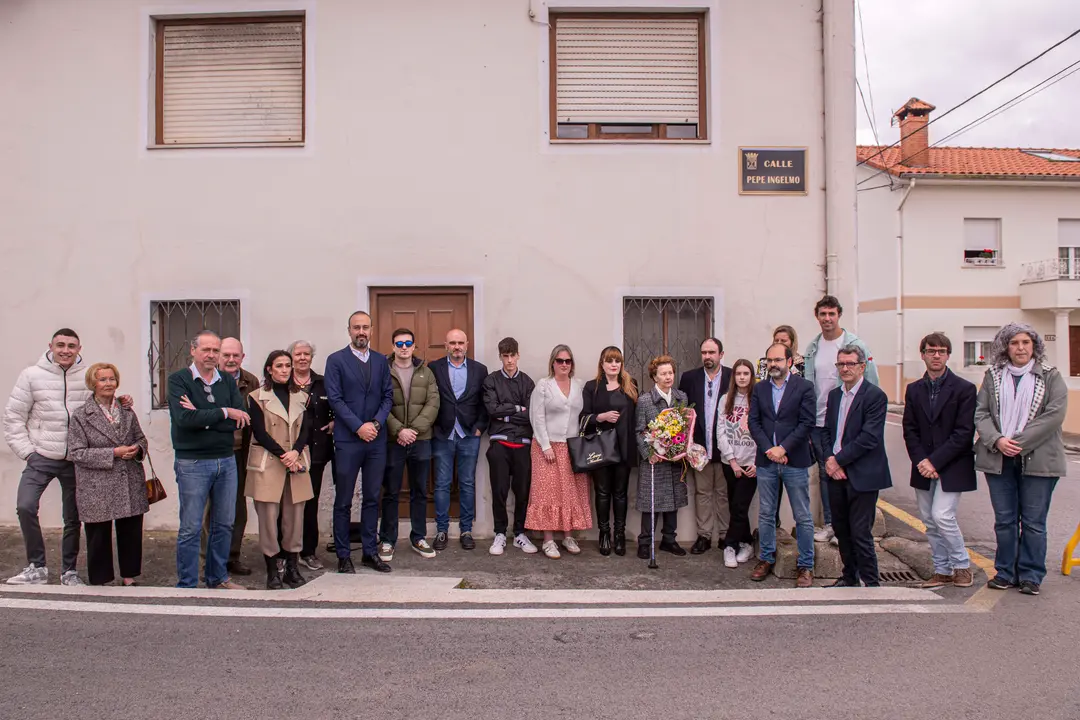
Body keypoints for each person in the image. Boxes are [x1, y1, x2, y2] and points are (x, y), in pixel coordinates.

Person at [975, 323, 1067, 596]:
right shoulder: (992, 376)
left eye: (1026, 342)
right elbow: (981, 413)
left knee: (1033, 522)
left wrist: (1018, 443)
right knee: (1004, 520)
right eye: (1014, 343)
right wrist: (998, 441)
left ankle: (1030, 575)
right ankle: (1005, 573)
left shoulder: (1051, 377)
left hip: (1038, 461)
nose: (1021, 348)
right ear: (1006, 347)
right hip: (998, 458)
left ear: (1034, 346)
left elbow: (1054, 415)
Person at [4, 329, 93, 585]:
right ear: (51, 346)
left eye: (71, 346)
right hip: (40, 456)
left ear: (79, 348)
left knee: (73, 517)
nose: (66, 350)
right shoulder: (32, 375)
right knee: (25, 506)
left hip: (75, 459)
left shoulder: (87, 377)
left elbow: (99, 408)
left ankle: (69, 571)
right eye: (61, 345)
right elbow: (13, 418)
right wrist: (27, 452)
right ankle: (37, 567)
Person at [168, 330, 250, 589]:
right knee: (191, 527)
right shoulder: (178, 380)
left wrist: (203, 416)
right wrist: (224, 411)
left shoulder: (226, 381)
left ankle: (217, 578)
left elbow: (240, 421)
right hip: (192, 463)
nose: (212, 355)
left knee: (224, 524)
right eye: (207, 350)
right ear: (193, 350)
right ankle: (188, 583)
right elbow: (183, 420)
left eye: (216, 350)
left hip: (226, 461)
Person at [902, 333, 977, 589]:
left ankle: (962, 566)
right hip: (923, 465)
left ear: (948, 355)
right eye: (931, 350)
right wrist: (922, 461)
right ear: (922, 354)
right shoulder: (913, 389)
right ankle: (942, 570)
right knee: (929, 521)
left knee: (942, 515)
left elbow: (964, 433)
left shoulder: (965, 389)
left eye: (942, 351)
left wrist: (934, 462)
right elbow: (909, 429)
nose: (936, 355)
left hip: (953, 464)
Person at [803, 296, 879, 544]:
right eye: (823, 314)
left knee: (848, 469)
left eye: (831, 314)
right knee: (827, 471)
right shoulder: (813, 347)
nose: (827, 319)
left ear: (839, 315)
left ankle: (848, 527)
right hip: (818, 420)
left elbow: (871, 382)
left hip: (846, 419)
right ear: (817, 316)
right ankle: (831, 524)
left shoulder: (855, 345)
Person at [325, 311, 394, 574]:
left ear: (372, 330)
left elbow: (388, 396)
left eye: (365, 327)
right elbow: (335, 398)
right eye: (356, 328)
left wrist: (375, 424)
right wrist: (358, 426)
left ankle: (369, 551)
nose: (361, 332)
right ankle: (343, 555)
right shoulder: (336, 360)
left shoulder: (380, 361)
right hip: (348, 440)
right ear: (349, 330)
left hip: (376, 440)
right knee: (343, 499)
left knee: (372, 498)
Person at [67, 363, 148, 586]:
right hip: (97, 483)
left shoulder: (126, 411)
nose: (108, 384)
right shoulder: (81, 415)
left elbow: (141, 438)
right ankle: (101, 579)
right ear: (93, 383)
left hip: (128, 478)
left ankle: (129, 576)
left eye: (112, 379)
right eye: (102, 379)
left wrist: (137, 449)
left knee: (130, 530)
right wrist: (114, 453)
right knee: (98, 533)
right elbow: (76, 452)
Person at [822, 345, 892, 587]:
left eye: (850, 364)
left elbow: (869, 438)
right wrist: (829, 460)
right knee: (841, 531)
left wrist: (837, 460)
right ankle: (849, 577)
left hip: (863, 475)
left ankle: (871, 582)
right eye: (841, 364)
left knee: (861, 533)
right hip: (836, 474)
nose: (845, 368)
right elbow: (827, 433)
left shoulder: (875, 396)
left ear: (862, 367)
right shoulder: (834, 395)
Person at [748, 343, 817, 587]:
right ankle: (766, 558)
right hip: (767, 461)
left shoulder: (805, 387)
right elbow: (753, 422)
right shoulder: (760, 389)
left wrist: (783, 448)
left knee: (803, 515)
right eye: (769, 360)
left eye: (778, 360)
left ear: (789, 361)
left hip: (795, 461)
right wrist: (770, 450)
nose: (773, 364)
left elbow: (807, 423)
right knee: (766, 513)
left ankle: (805, 566)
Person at [200, 337, 261, 578]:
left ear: (242, 357)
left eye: (236, 355)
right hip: (212, 452)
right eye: (226, 355)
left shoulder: (250, 381)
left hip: (239, 453)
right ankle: (210, 561)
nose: (231, 359)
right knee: (211, 510)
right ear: (217, 357)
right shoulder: (205, 381)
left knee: (237, 509)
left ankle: (232, 556)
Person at [526, 345, 593, 559]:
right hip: (546, 446)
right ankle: (548, 540)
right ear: (553, 362)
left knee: (570, 492)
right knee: (547, 491)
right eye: (560, 360)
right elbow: (536, 417)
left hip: (571, 447)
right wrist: (545, 445)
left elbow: (584, 415)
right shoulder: (544, 386)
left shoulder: (579, 385)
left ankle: (568, 535)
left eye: (568, 361)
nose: (564, 364)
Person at [380, 328, 440, 562]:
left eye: (408, 343)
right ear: (393, 346)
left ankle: (418, 537)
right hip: (392, 441)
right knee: (391, 492)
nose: (404, 347)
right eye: (399, 343)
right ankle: (387, 539)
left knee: (419, 492)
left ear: (414, 346)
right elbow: (379, 404)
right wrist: (398, 430)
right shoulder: (383, 371)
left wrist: (413, 430)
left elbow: (433, 403)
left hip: (420, 440)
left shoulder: (426, 372)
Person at [428, 329, 489, 551]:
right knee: (442, 484)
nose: (457, 346)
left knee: (467, 483)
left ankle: (466, 531)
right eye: (453, 343)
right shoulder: (434, 368)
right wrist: (432, 427)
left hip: (469, 435)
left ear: (467, 344)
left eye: (460, 343)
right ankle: (442, 531)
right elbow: (428, 398)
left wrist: (480, 428)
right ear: (446, 345)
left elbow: (485, 402)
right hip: (443, 434)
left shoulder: (479, 370)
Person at [482, 337, 537, 556]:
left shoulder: (528, 382)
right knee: (499, 490)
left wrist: (508, 414)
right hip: (499, 443)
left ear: (518, 355)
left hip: (523, 443)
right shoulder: (491, 381)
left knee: (522, 491)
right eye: (505, 356)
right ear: (500, 357)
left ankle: (520, 533)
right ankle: (500, 533)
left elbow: (530, 415)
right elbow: (493, 410)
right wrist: (517, 409)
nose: (509, 360)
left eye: (512, 355)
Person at [581, 346, 638, 556]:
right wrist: (601, 417)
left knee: (621, 493)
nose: (614, 364)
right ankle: (604, 534)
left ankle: (619, 535)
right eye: (609, 360)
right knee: (603, 493)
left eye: (617, 361)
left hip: (623, 447)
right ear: (602, 364)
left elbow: (635, 417)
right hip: (601, 448)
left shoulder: (630, 385)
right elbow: (583, 417)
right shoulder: (592, 387)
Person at [678, 338, 733, 555]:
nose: (707, 356)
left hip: (724, 447)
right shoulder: (690, 378)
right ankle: (704, 535)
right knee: (702, 493)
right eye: (704, 352)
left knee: (723, 493)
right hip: (699, 448)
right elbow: (683, 413)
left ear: (721, 354)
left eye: (712, 352)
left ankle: (725, 536)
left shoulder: (731, 377)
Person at [635, 355, 690, 560]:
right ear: (654, 377)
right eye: (663, 374)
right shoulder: (645, 401)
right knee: (652, 502)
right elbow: (639, 430)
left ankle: (669, 539)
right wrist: (649, 453)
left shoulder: (681, 397)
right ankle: (645, 541)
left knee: (672, 500)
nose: (668, 377)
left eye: (670, 373)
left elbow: (685, 427)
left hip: (675, 460)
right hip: (654, 460)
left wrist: (681, 448)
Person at [289, 340, 335, 571]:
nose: (302, 358)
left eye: (307, 353)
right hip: (287, 455)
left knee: (310, 502)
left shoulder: (323, 383)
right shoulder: (283, 382)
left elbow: (337, 406)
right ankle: (285, 553)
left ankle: (308, 552)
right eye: (298, 354)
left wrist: (336, 420)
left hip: (315, 454)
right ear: (291, 357)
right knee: (286, 504)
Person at [715, 359, 758, 569]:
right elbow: (720, 431)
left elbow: (765, 431)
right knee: (735, 506)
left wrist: (758, 462)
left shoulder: (758, 398)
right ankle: (747, 543)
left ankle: (729, 546)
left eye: (746, 373)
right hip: (730, 463)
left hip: (751, 464)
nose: (742, 377)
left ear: (752, 376)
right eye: (738, 373)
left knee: (740, 506)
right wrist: (732, 461)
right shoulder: (725, 399)